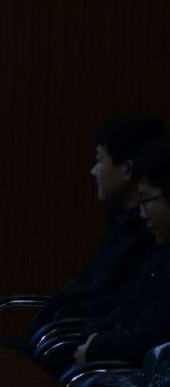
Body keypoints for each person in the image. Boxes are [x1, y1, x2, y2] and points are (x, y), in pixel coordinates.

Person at [32, 114, 165, 329]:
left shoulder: (144, 237)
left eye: (99, 160)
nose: (93, 171)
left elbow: (105, 306)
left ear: (127, 169)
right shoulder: (124, 227)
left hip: (74, 341)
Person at [72, 134, 170, 368]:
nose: (142, 213)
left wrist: (96, 348)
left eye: (146, 200)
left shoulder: (153, 251)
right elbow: (126, 311)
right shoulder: (160, 254)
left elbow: (146, 342)